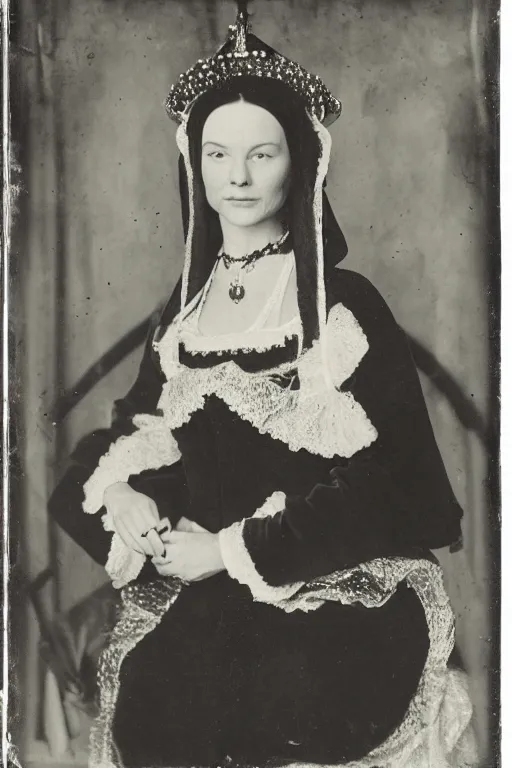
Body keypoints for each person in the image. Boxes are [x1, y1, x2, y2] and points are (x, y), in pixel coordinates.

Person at [48, 5, 477, 768]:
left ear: (301, 163)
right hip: (217, 603)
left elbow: (392, 486)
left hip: (330, 591)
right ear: (194, 163)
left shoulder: (343, 306)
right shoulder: (183, 319)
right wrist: (122, 496)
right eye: (217, 155)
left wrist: (230, 550)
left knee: (284, 689)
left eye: (262, 155)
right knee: (157, 698)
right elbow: (133, 440)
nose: (237, 178)